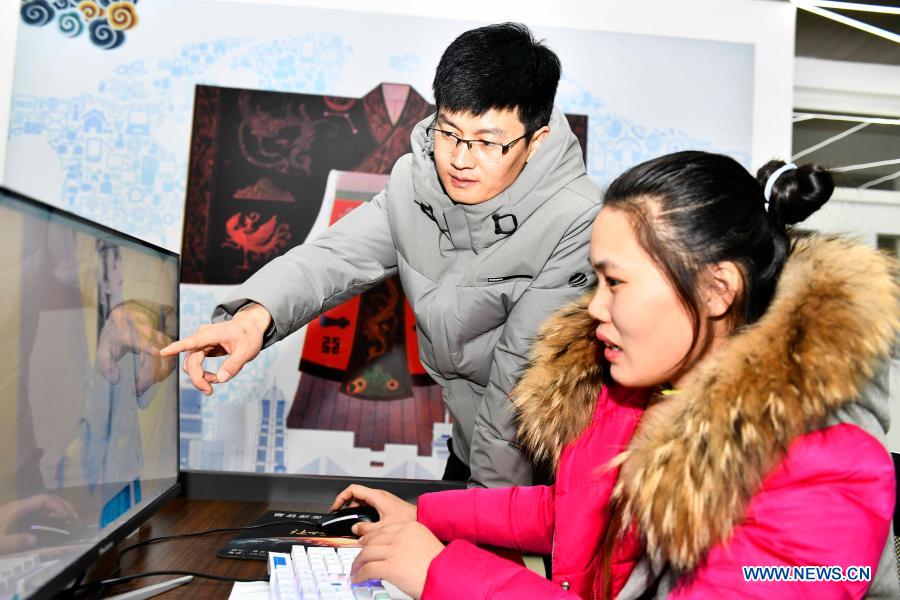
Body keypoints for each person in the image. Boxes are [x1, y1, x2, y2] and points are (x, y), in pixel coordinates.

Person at [330, 151, 900, 599]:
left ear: (717, 290)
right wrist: (425, 512)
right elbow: (572, 510)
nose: (594, 307)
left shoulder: (827, 476)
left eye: (616, 283)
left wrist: (441, 572)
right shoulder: (633, 398)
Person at [162, 23, 602, 487]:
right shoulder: (417, 182)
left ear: (536, 141)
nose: (460, 158)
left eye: (489, 142)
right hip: (471, 448)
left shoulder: (577, 221)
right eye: (449, 132)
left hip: (545, 474)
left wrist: (482, 524)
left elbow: (516, 386)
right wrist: (253, 317)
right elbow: (334, 258)